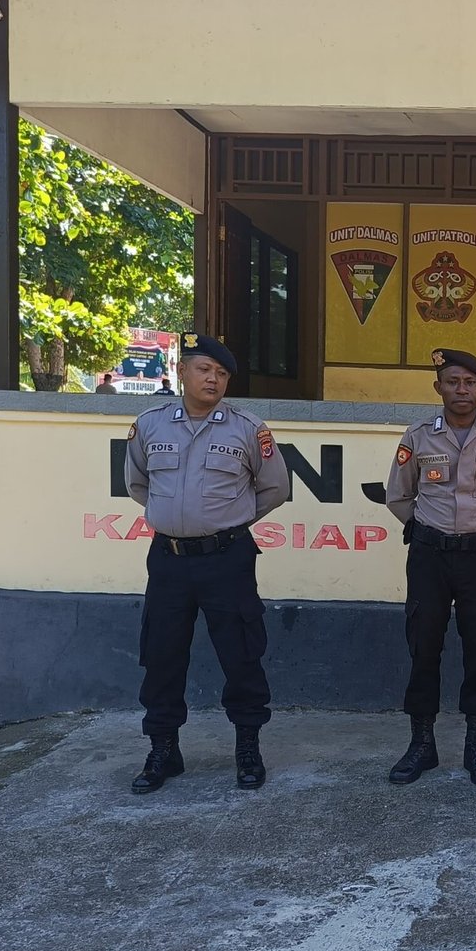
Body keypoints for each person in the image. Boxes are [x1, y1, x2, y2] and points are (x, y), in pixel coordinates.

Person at [123, 333, 290, 795]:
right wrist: (177, 518)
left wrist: (228, 519)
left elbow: (276, 488)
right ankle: (163, 750)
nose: (213, 379)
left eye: (222, 373)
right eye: (204, 369)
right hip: (169, 560)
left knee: (241, 654)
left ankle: (248, 747)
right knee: (162, 655)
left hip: (227, 558)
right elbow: (138, 484)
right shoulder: (150, 425)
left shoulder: (247, 429)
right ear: (182, 372)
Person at [383, 348, 476, 786]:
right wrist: (425, 529)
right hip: (429, 555)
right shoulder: (418, 436)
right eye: (452, 382)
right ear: (438, 387)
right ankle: (421, 744)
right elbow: (398, 495)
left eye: (469, 382)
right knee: (423, 645)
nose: (461, 390)